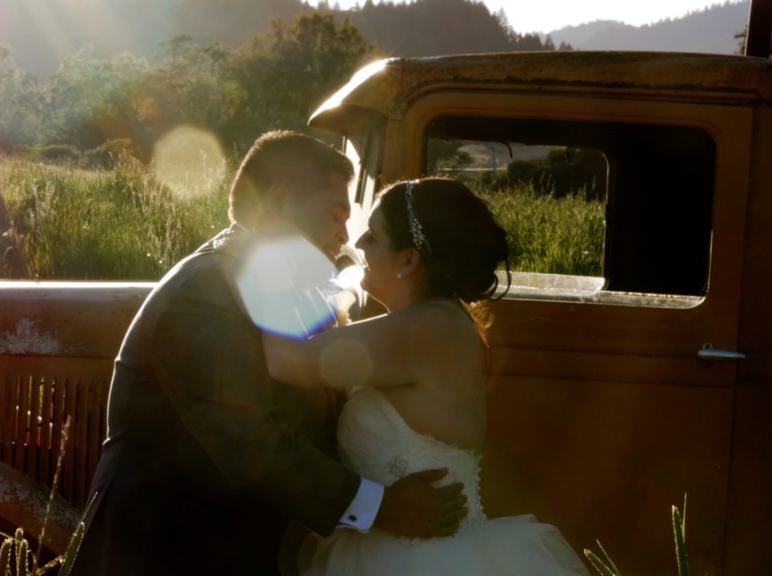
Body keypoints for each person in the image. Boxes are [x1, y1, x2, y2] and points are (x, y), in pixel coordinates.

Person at [77, 132, 468, 575]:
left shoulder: (282, 282)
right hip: (168, 551)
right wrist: (380, 506)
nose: (345, 239)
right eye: (334, 216)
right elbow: (247, 439)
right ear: (279, 203)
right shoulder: (206, 290)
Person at [263, 177, 591, 575]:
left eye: (374, 235)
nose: (359, 244)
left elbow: (286, 361)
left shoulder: (425, 328)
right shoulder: (431, 321)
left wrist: (264, 260)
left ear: (408, 260)